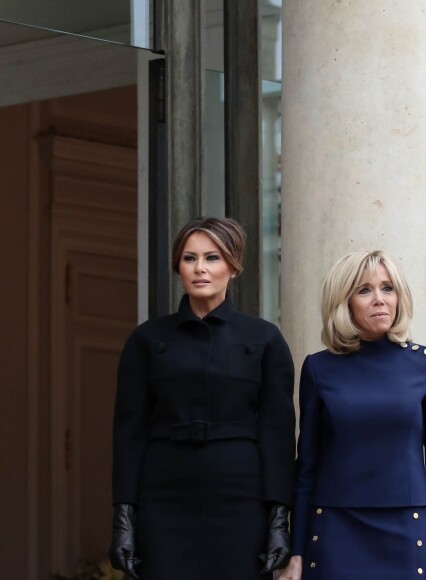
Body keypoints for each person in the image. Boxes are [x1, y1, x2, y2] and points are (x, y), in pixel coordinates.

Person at [108, 216, 296, 580]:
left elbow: (278, 435)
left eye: (212, 258)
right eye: (189, 258)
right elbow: (128, 433)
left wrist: (278, 519)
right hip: (163, 497)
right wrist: (123, 518)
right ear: (178, 266)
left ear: (233, 266)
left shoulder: (265, 339)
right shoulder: (146, 340)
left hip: (241, 499)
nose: (200, 269)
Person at [280, 250, 426, 580]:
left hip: (404, 528)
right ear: (344, 301)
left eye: (388, 288)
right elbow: (307, 468)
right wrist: (297, 552)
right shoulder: (319, 368)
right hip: (335, 528)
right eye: (365, 290)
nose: (380, 299)